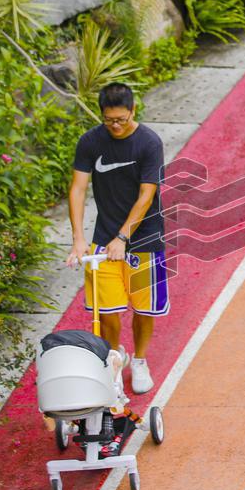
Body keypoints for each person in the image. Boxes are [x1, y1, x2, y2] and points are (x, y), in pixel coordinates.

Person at [66, 83, 168, 395]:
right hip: (103, 239)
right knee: (107, 312)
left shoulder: (149, 143)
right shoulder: (90, 143)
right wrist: (79, 239)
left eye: (121, 119)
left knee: (143, 309)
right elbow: (78, 189)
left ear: (133, 111)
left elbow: (146, 195)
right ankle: (114, 360)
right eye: (110, 120)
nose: (116, 126)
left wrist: (123, 237)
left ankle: (139, 360)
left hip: (145, 240)